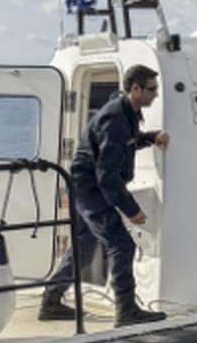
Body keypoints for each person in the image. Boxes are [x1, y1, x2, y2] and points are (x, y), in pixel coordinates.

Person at [40, 64, 169, 327]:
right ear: (136, 89)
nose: (156, 94)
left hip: (84, 186)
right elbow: (107, 174)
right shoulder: (116, 119)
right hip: (91, 189)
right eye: (152, 89)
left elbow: (129, 141)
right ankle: (126, 311)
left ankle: (50, 302)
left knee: (84, 248)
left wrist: (152, 137)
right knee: (121, 245)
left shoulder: (126, 112)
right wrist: (132, 210)